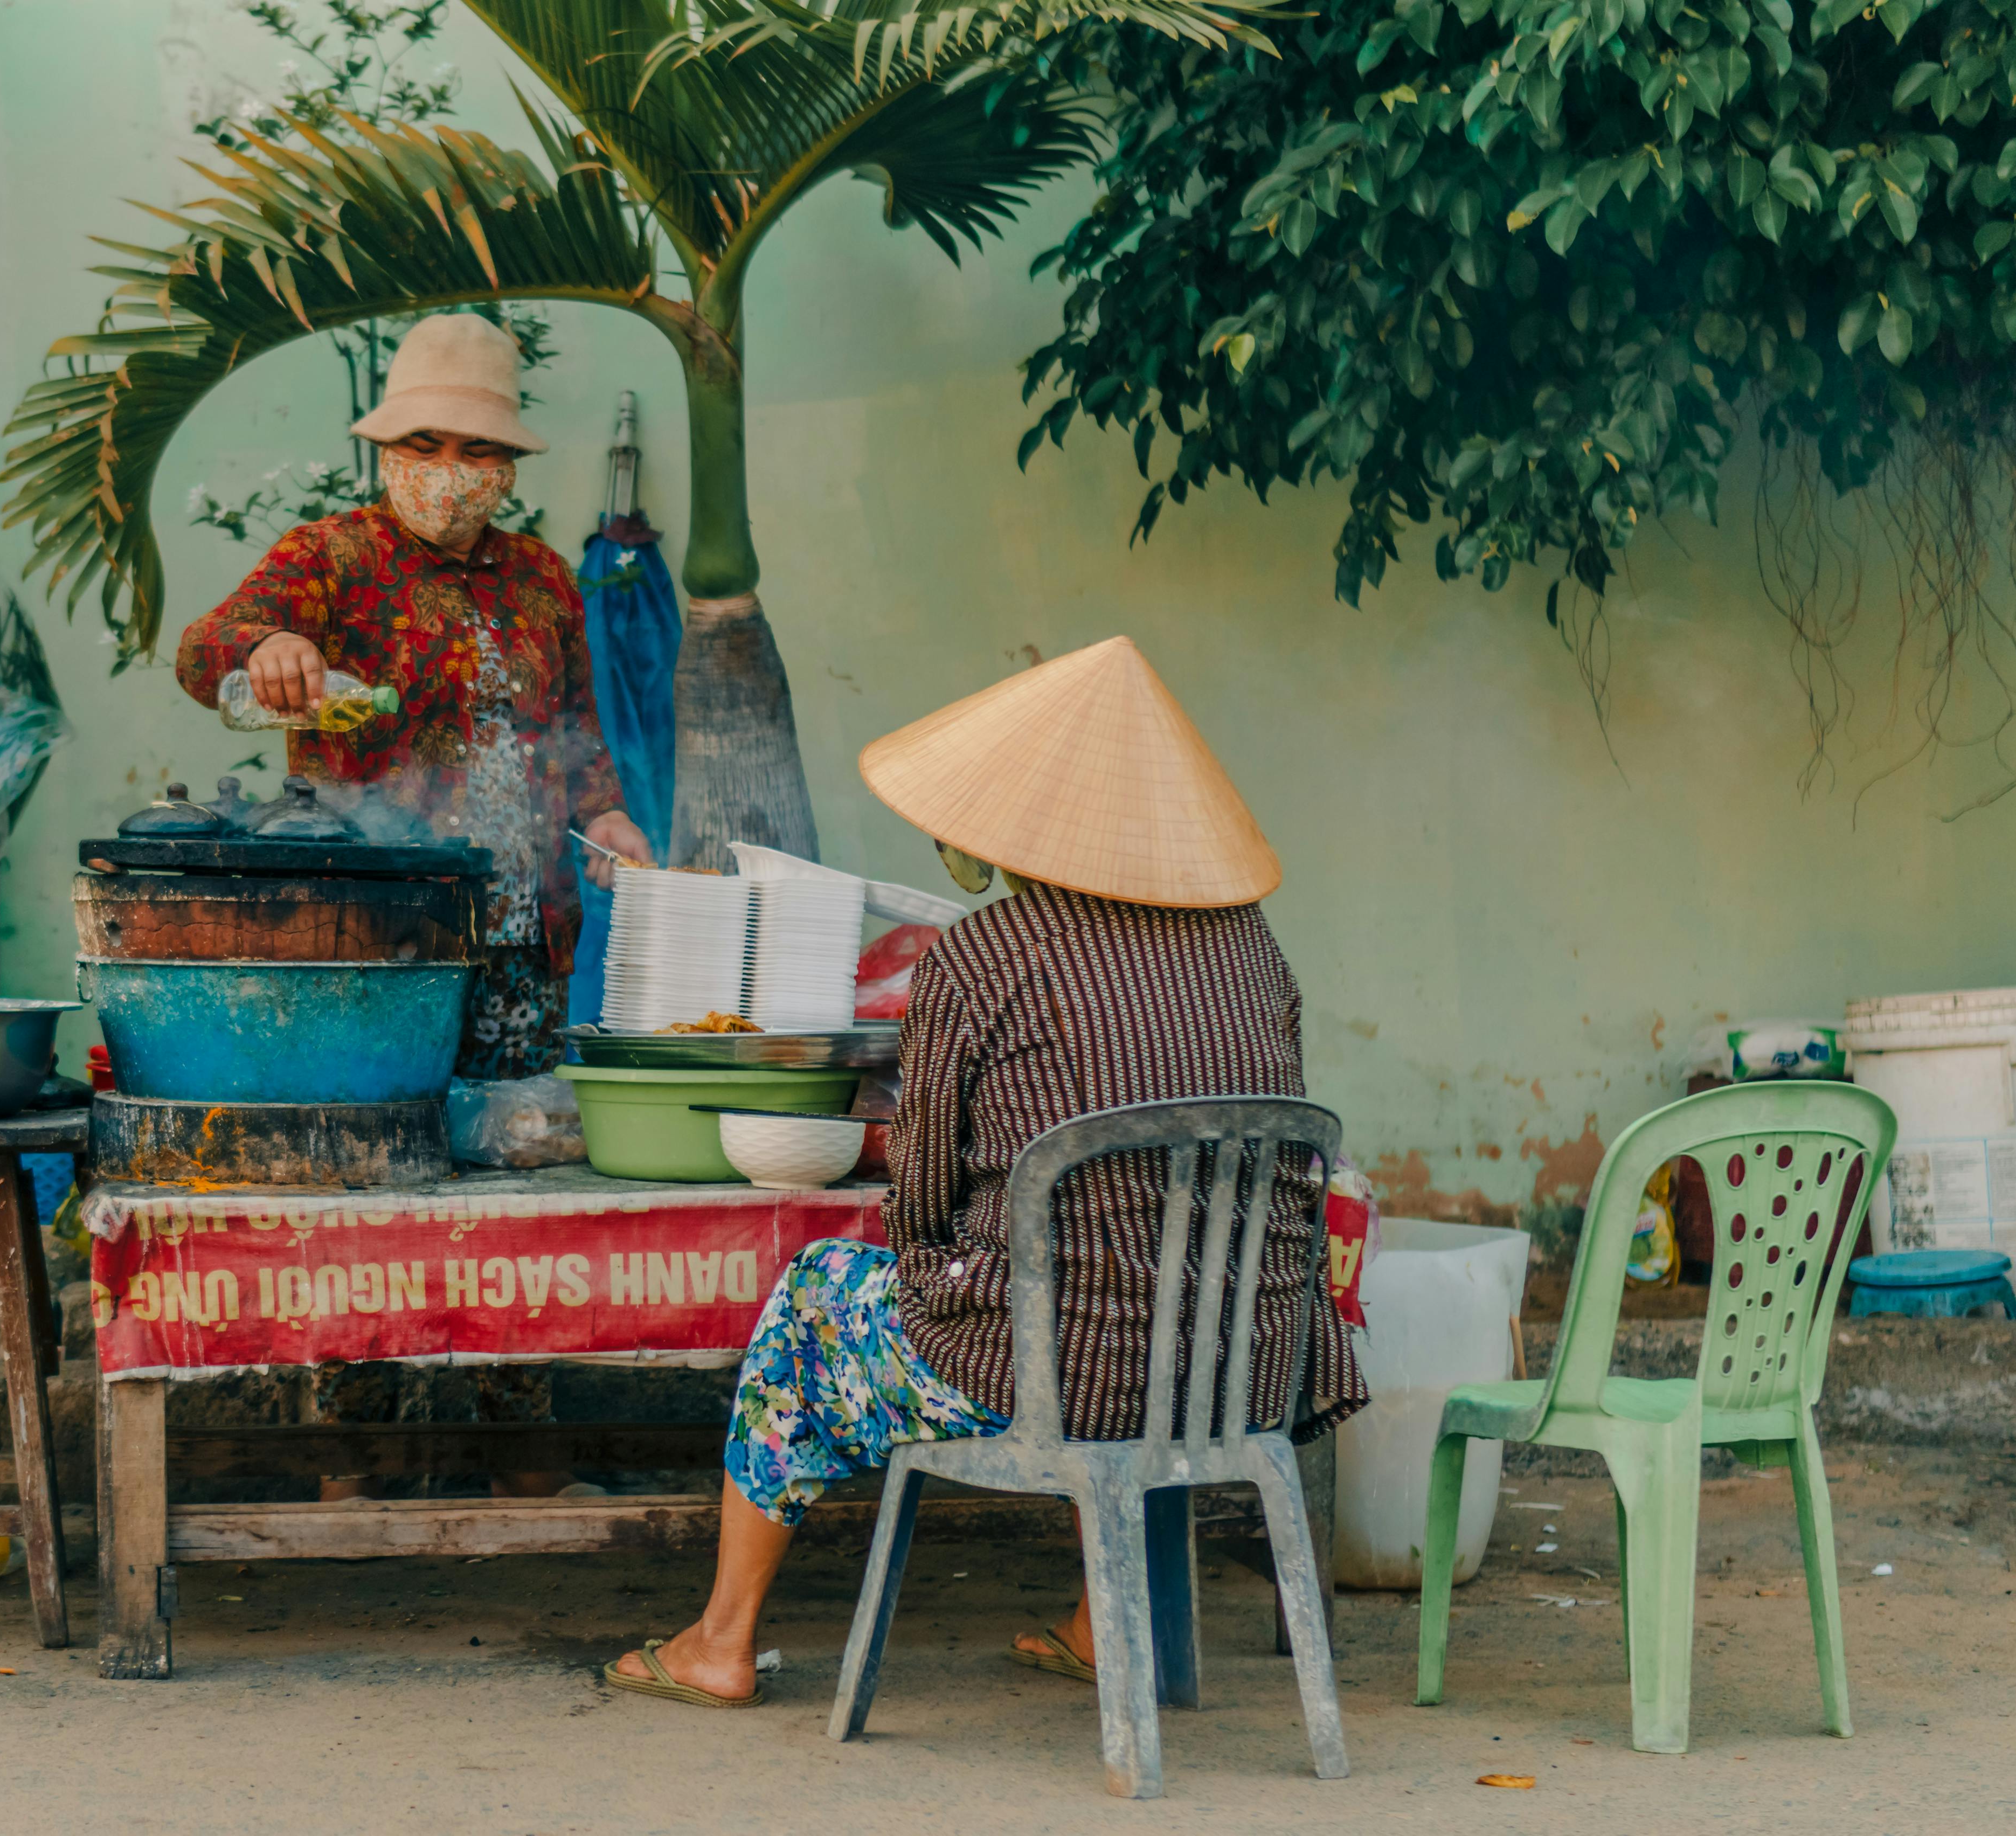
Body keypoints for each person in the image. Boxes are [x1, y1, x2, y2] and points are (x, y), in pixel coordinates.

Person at [608, 635, 1368, 1707]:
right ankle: (1104, 1627)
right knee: (1120, 1293)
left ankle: (719, 1641)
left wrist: (933, 1276)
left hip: (1053, 1371)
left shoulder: (985, 951)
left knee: (814, 1298)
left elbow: (916, 1199)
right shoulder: (1254, 950)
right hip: (1239, 1371)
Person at [175, 313, 652, 1494]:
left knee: (523, 1198)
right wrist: (273, 645)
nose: (452, 475)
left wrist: (612, 822)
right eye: (427, 447)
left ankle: (517, 1445)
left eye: (477, 454)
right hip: (373, 947)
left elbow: (580, 741)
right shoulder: (331, 560)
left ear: (509, 467)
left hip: (519, 939)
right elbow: (206, 650)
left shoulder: (543, 581)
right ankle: (355, 1446)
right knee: (368, 1189)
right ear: (389, 452)